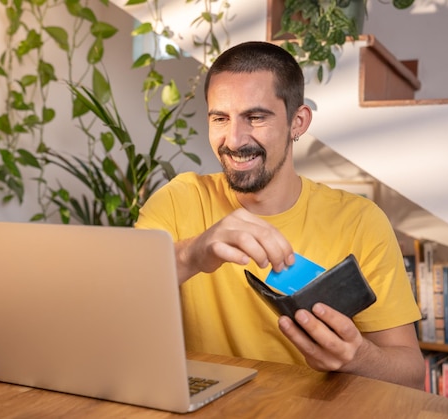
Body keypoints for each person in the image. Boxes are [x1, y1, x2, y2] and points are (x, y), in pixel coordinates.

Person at [134, 41, 425, 389]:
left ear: (297, 122)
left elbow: (410, 372)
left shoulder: (361, 220)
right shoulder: (179, 200)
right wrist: (193, 252)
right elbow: (114, 295)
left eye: (255, 117)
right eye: (220, 118)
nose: (234, 139)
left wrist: (357, 358)